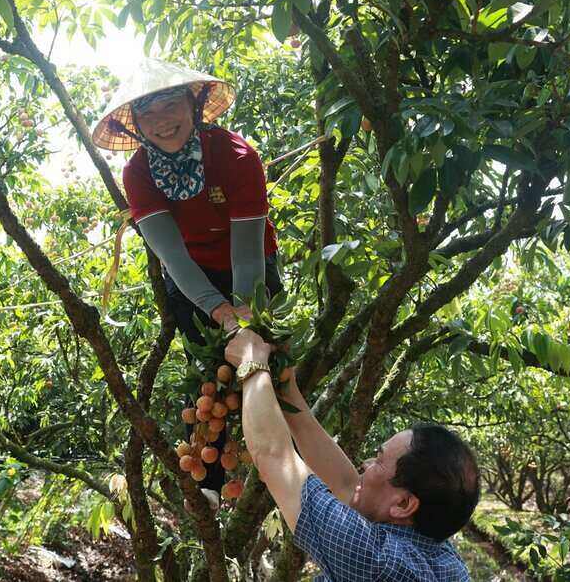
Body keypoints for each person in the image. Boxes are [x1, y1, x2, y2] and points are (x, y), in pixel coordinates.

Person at [92, 59, 282, 507]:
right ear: (135, 126)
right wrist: (217, 311)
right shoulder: (139, 173)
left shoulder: (236, 157)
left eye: (170, 105)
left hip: (251, 267)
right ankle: (209, 482)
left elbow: (247, 253)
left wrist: (244, 316)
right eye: (147, 114)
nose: (161, 121)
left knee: (263, 362)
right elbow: (172, 255)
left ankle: (277, 467)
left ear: (194, 105)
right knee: (210, 372)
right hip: (191, 272)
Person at [225, 329, 479, 581]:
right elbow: (346, 485)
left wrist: (251, 362)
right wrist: (285, 389)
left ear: (403, 505)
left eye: (379, 461)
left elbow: (273, 456)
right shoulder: (439, 557)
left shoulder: (375, 563)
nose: (365, 464)